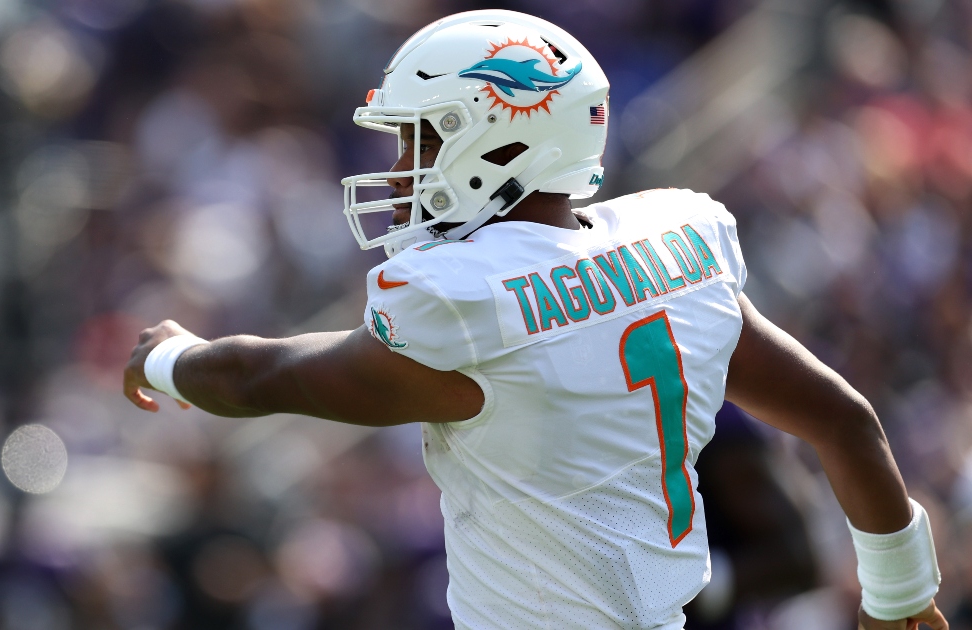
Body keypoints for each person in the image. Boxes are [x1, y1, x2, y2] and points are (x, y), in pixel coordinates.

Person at [123, 10, 945, 630]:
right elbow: (846, 421)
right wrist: (902, 597)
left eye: (421, 141)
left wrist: (168, 357)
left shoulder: (464, 301)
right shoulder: (679, 251)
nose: (401, 169)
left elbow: (256, 376)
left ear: (501, 145)